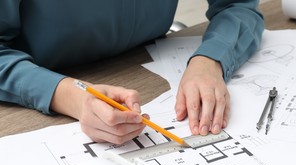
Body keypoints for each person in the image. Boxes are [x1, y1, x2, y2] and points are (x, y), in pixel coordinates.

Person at [0, 0, 264, 144]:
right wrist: (70, 96)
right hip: (35, 98)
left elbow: (237, 5)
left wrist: (210, 59)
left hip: (148, 69)